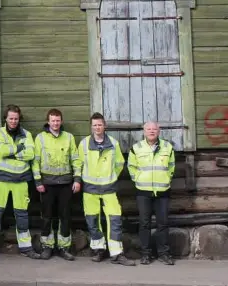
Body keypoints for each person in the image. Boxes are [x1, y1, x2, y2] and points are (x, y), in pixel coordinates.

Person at [76, 113, 135, 266]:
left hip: (109, 188)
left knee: (115, 219)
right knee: (92, 220)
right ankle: (99, 250)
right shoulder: (84, 144)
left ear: (105, 126)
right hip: (90, 188)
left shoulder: (113, 143)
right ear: (91, 126)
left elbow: (120, 163)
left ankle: (117, 253)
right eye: (95, 125)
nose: (97, 127)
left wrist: (112, 176)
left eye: (100, 124)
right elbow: (78, 164)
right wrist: (79, 179)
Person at [0, 105, 40, 259]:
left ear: (19, 119)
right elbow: (1, 151)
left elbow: (30, 154)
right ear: (5, 119)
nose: (13, 121)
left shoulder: (27, 134)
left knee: (22, 215)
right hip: (2, 179)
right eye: (11, 118)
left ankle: (26, 248)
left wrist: (11, 152)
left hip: (21, 180)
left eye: (16, 118)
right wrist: (19, 149)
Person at [33, 109, 81, 261]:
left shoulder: (69, 137)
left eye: (58, 120)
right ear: (48, 121)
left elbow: (75, 159)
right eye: (53, 120)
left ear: (61, 121)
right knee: (47, 216)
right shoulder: (40, 138)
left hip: (66, 184)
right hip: (47, 184)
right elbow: (35, 161)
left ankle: (63, 247)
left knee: (65, 216)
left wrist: (77, 179)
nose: (55, 123)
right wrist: (38, 181)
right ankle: (47, 246)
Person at [128, 121, 176, 266]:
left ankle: (164, 254)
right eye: (148, 129)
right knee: (144, 223)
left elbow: (171, 166)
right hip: (143, 192)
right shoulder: (136, 148)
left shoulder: (168, 147)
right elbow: (131, 167)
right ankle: (146, 254)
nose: (151, 131)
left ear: (159, 131)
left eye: (154, 129)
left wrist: (167, 178)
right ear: (144, 131)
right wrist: (138, 179)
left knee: (163, 223)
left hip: (162, 192)